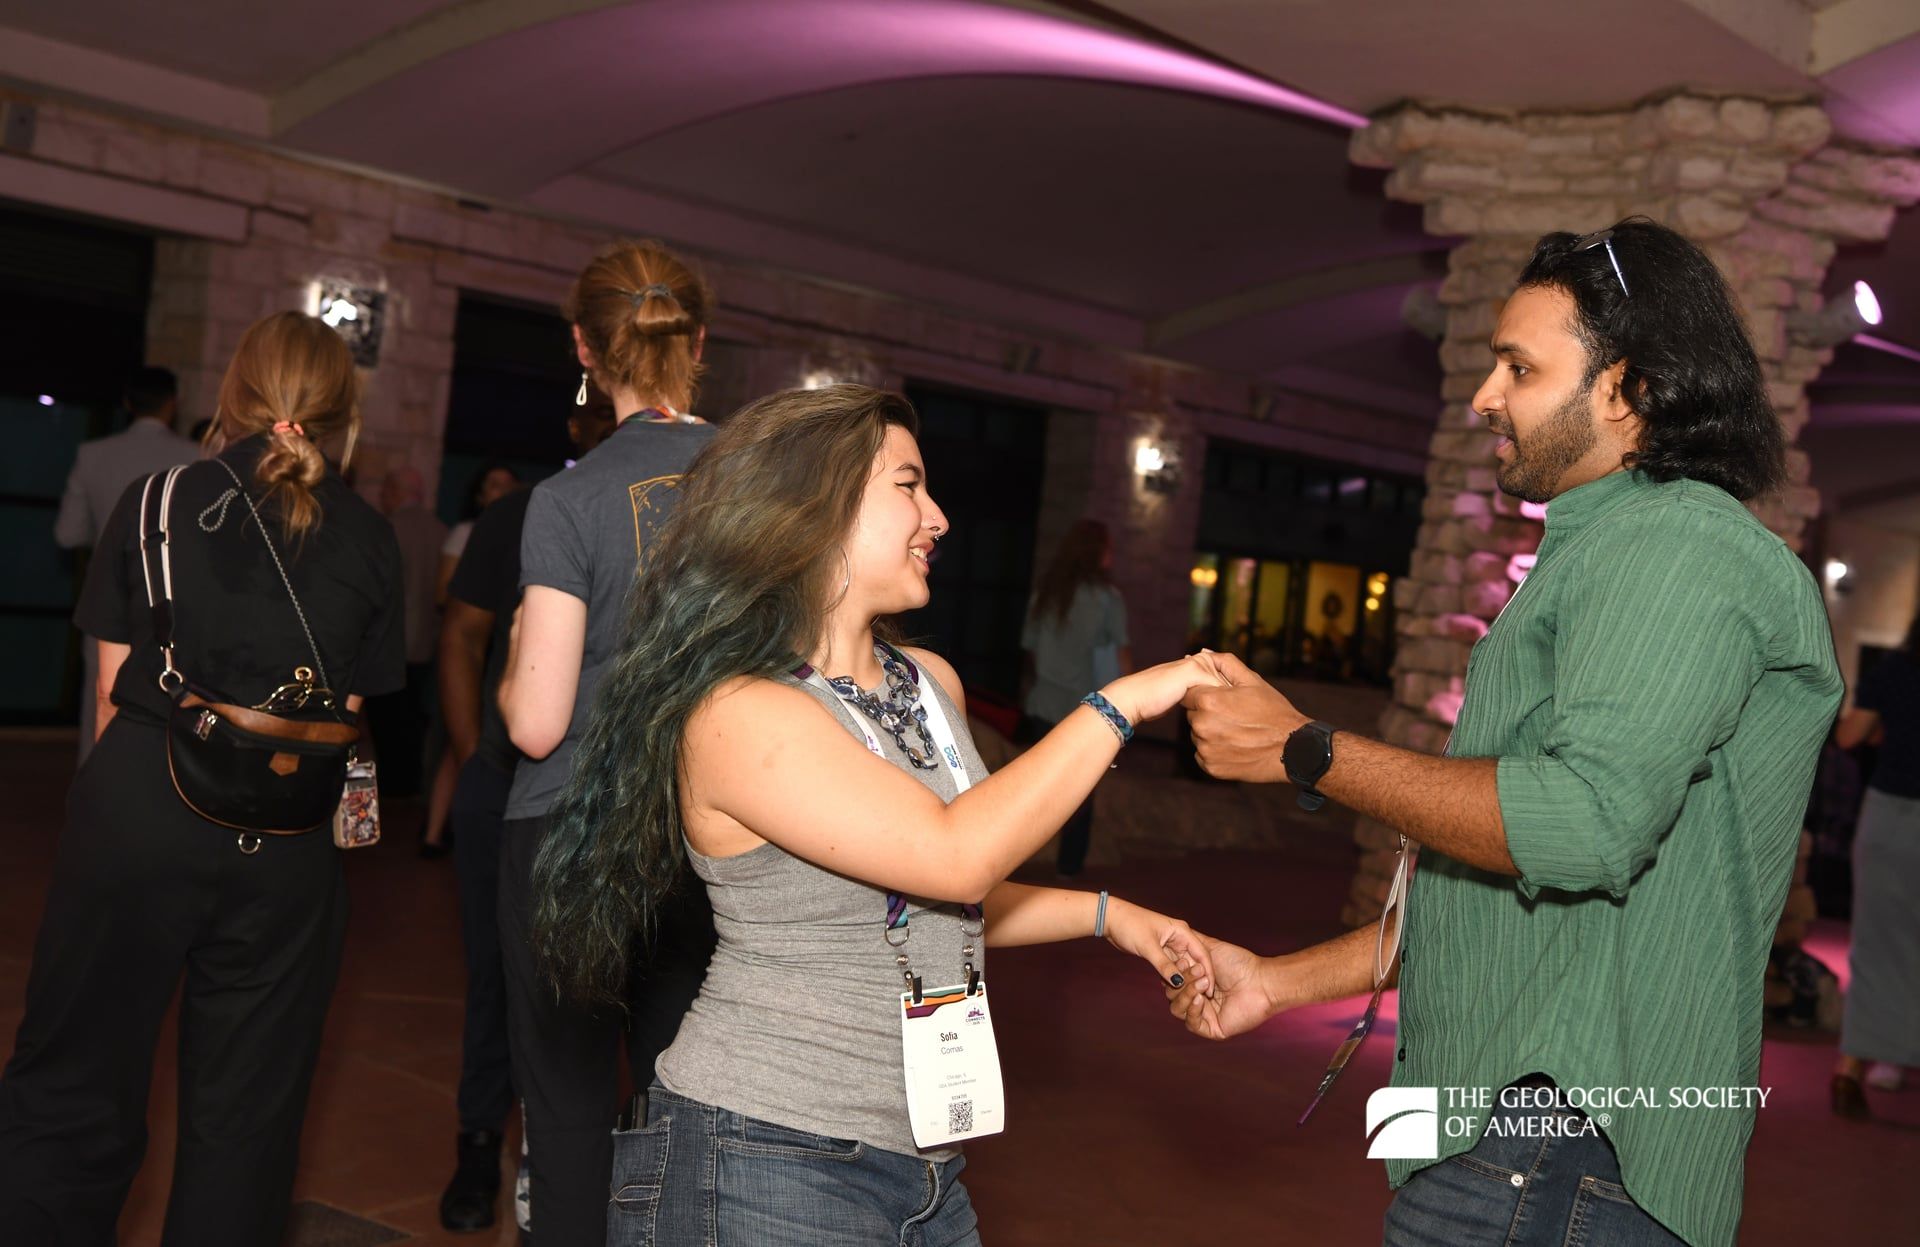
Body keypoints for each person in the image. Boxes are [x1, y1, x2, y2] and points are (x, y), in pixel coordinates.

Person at [1174, 219, 1841, 1247]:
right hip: (1534, 1143)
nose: (1486, 395)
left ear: (1633, 389)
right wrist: (1280, 979)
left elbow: (1580, 827)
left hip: (1561, 1150)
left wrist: (1308, 747)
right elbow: (1511, 906)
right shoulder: (1614, 548)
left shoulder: (1673, 550)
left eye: (1521, 367)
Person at [532, 384, 1221, 1246]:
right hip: (762, 1156)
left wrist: (1118, 920)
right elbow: (954, 855)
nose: (937, 516)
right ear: (813, 508)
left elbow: (946, 899)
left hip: (927, 1167)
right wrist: (1126, 698)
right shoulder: (740, 712)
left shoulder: (930, 683)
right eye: (908, 485)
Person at [0, 312, 404, 1246]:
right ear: (345, 412)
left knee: (73, 1084)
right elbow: (352, 705)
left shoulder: (154, 499)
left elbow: (109, 693)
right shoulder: (373, 539)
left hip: (141, 816)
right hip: (290, 845)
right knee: (247, 1126)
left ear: (235, 392)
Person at [494, 238, 720, 1247]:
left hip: (573, 828)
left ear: (585, 347)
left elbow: (536, 720)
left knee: (569, 1105)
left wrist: (511, 658)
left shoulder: (568, 498)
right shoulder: (769, 488)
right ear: (698, 341)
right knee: (694, 1096)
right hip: (719, 830)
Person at [434, 402, 614, 1233]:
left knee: (603, 995)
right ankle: (479, 1144)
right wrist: (476, 754)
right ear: (574, 431)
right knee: (494, 979)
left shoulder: (663, 517)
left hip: (613, 798)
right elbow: (463, 636)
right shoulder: (522, 514)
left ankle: (581, 1167)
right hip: (509, 786)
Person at [53, 366, 197, 761]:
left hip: (108, 598)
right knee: (168, 717)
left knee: (99, 705)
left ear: (127, 404)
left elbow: (67, 534)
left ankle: (94, 799)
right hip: (176, 607)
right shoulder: (196, 458)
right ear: (174, 403)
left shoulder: (93, 454)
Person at [1830, 613, 1920, 1116]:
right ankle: (1897, 1058)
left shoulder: (1892, 671)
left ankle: (1853, 1066)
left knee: (1877, 938)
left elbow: (1848, 738)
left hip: (1891, 814)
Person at [422, 462, 524, 859]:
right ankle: (433, 832)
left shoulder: (523, 521)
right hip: (473, 649)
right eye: (491, 484)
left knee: (469, 746)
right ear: (480, 494)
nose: (499, 490)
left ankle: (445, 826)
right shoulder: (466, 532)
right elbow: (445, 597)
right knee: (456, 742)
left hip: (498, 657)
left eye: (506, 483)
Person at [1019, 518, 1131, 876]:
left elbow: (1031, 651)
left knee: (1038, 788)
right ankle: (1069, 869)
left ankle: (1013, 859)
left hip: (1044, 703)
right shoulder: (1107, 601)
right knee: (1081, 794)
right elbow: (1122, 657)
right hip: (1086, 711)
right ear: (1099, 553)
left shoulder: (1046, 593)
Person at [368, 465, 447, 801]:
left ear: (397, 493)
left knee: (386, 723)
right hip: (429, 642)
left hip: (393, 641)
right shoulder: (442, 530)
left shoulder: (387, 529)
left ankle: (390, 788)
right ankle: (410, 786)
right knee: (415, 719)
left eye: (386, 490)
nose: (382, 497)